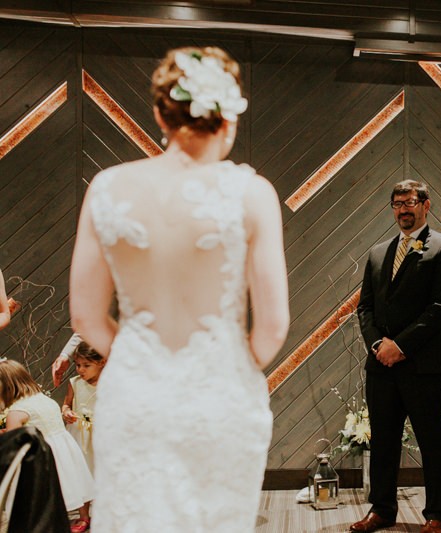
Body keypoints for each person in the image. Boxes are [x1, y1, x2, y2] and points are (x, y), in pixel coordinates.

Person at [69, 46, 290, 532]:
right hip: (221, 396)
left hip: (134, 393)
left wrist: (138, 355)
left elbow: (85, 316)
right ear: (230, 117)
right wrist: (221, 365)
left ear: (158, 115)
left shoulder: (107, 188)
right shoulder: (251, 194)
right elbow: (272, 329)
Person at [352, 180, 441, 533]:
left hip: (424, 365)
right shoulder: (377, 252)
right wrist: (377, 346)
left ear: (426, 205)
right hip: (381, 365)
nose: (403, 209)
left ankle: (438, 515)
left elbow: (440, 308)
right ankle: (382, 508)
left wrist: (399, 346)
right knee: (383, 440)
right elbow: (365, 308)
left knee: (433, 441)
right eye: (397, 203)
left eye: (410, 202)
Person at [1, 358, 94, 532]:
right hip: (65, 447)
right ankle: (84, 516)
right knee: (76, 480)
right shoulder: (42, 398)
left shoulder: (17, 411)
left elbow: (14, 443)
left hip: (42, 454)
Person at [61, 341, 105, 473]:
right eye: (78, 365)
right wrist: (66, 412)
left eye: (86, 365)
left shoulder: (109, 384)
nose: (80, 369)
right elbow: (66, 404)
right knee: (79, 468)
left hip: (100, 433)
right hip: (78, 433)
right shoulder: (75, 383)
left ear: (102, 362)